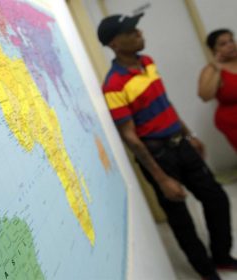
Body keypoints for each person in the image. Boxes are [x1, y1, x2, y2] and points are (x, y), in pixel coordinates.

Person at [97, 14, 236, 280]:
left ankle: (222, 257)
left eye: (137, 28)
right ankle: (206, 272)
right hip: (158, 156)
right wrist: (162, 180)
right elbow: (130, 137)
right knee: (181, 219)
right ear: (115, 43)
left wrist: (189, 134)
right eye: (131, 32)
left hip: (180, 143)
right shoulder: (113, 85)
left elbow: (165, 102)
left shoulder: (148, 63)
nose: (140, 33)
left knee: (216, 198)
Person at [198, 28, 237, 151]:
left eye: (231, 41)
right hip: (232, 120)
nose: (230, 46)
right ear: (214, 50)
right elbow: (205, 96)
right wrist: (218, 69)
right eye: (223, 44)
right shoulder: (211, 70)